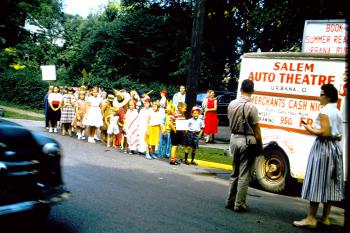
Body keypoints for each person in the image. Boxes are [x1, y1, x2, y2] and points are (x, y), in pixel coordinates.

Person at [293, 84, 344, 228]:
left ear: (327, 96)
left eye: (321, 94)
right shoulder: (337, 112)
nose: (319, 97)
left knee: (317, 180)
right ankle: (325, 217)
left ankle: (311, 218)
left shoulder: (325, 111)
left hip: (323, 148)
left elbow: (324, 132)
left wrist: (309, 127)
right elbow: (334, 132)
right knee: (330, 182)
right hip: (335, 148)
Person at [226, 79, 262, 212]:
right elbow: (256, 128)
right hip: (247, 139)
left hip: (234, 138)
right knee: (244, 174)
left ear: (241, 89)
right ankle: (239, 203)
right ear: (252, 91)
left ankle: (230, 200)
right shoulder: (251, 107)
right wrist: (259, 143)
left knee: (234, 171)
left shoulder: (232, 104)